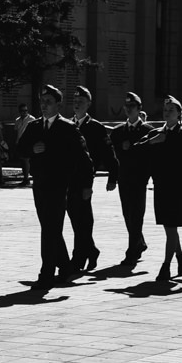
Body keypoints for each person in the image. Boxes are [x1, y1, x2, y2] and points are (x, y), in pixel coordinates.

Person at [18, 85, 88, 287]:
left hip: (58, 186)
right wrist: (32, 149)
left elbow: (83, 158)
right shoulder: (34, 127)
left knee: (49, 230)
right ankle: (65, 267)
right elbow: (20, 149)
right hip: (39, 185)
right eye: (42, 102)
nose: (44, 105)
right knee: (50, 229)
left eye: (48, 102)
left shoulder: (67, 128)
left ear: (58, 104)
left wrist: (86, 185)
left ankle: (46, 274)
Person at [141, 96, 182, 281]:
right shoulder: (155, 133)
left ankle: (166, 266)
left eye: (171, 111)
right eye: (165, 110)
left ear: (179, 114)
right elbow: (136, 151)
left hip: (177, 186)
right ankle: (181, 257)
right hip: (160, 185)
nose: (167, 113)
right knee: (169, 227)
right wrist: (153, 142)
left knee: (171, 226)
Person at [105, 92, 155, 268]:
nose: (128, 109)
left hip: (140, 179)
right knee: (128, 214)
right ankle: (139, 243)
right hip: (124, 179)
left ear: (139, 109)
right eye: (126, 107)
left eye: (132, 107)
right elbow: (112, 158)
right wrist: (112, 179)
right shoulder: (118, 132)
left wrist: (151, 177)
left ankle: (131, 252)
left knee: (137, 215)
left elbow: (152, 158)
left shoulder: (148, 131)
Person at [69, 86, 110, 273]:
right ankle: (91, 250)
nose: (77, 105)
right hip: (68, 180)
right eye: (75, 102)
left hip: (84, 180)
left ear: (89, 104)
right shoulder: (67, 125)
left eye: (81, 102)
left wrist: (112, 177)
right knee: (76, 219)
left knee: (83, 219)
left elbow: (105, 154)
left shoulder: (95, 127)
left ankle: (78, 258)